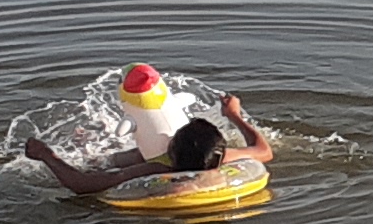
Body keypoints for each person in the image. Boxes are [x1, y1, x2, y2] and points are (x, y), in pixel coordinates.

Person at [20, 72, 274, 199]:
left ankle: (87, 143)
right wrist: (234, 115)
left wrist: (47, 155)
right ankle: (89, 144)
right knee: (113, 158)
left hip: (144, 172)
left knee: (120, 159)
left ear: (171, 150)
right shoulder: (221, 158)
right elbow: (264, 151)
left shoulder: (151, 168)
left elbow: (82, 185)